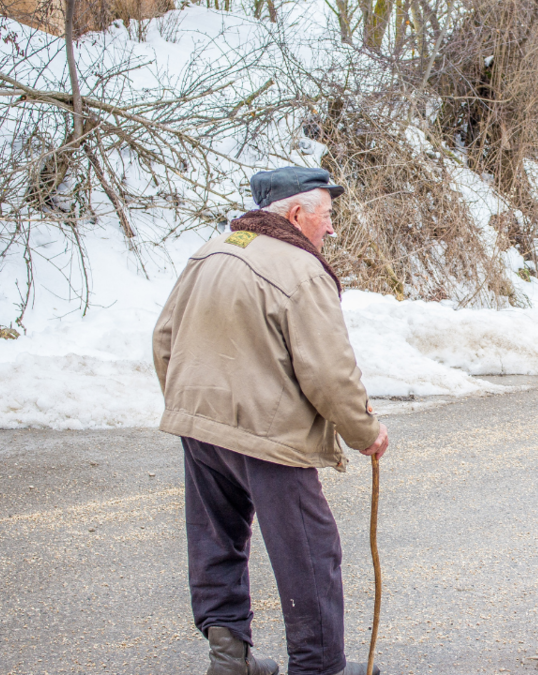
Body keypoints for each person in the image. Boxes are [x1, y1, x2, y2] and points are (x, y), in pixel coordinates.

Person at [153, 167, 388, 675]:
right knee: (309, 555)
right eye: (327, 216)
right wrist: (365, 433)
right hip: (268, 437)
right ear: (297, 213)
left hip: (200, 426)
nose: (331, 229)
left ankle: (229, 658)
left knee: (217, 541)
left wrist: (191, 404)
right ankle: (317, 668)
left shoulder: (210, 252)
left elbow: (164, 339)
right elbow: (330, 373)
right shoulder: (301, 270)